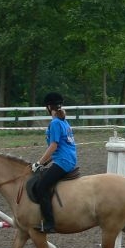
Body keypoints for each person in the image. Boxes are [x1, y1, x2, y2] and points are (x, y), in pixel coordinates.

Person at [31, 92, 77, 233]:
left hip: (63, 161)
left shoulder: (55, 123)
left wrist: (39, 163)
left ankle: (50, 223)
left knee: (41, 186)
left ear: (48, 107)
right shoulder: (63, 121)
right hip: (68, 158)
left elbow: (54, 146)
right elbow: (59, 148)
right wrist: (45, 163)